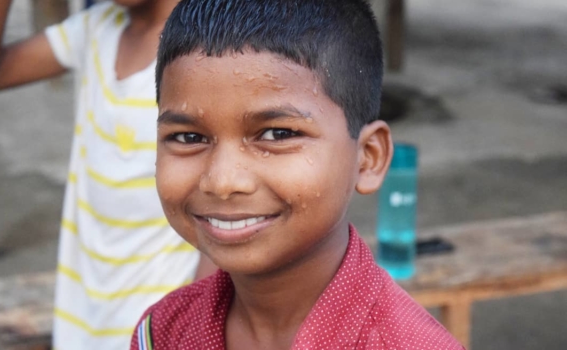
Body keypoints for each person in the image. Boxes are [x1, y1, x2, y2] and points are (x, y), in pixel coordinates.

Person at [130, 0, 465, 349]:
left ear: (368, 158)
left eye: (278, 134)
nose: (222, 181)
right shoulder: (161, 331)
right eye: (189, 138)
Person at [0, 1, 216, 349]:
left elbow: (218, 209)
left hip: (158, 324)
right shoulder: (96, 29)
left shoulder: (208, 49)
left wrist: (192, 327)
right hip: (82, 320)